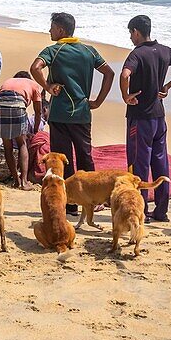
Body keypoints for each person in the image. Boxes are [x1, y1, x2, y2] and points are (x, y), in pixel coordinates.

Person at [31, 12, 114, 214]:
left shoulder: (53, 50)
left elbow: (35, 68)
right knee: (85, 156)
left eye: (52, 27)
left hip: (59, 114)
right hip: (83, 113)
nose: (49, 30)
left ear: (60, 30)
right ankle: (95, 200)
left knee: (63, 158)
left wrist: (48, 87)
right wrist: (99, 100)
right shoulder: (89, 51)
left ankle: (69, 204)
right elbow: (109, 73)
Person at [120, 15, 171, 223]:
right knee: (161, 163)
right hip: (159, 118)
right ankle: (161, 211)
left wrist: (126, 96)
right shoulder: (165, 51)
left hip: (140, 118)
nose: (130, 38)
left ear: (136, 31)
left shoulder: (136, 54)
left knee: (139, 166)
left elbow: (125, 74)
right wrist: (168, 86)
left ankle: (141, 212)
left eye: (130, 33)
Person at [0, 71, 44, 190]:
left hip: (0, 105)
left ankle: (16, 180)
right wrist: (36, 131)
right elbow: (38, 112)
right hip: (17, 105)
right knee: (22, 143)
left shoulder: (8, 81)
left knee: (7, 145)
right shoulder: (33, 84)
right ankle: (24, 181)